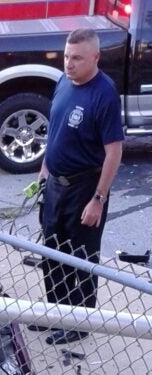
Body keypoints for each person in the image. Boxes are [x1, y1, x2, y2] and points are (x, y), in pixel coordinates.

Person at [33, 27, 123, 345]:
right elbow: (55, 132)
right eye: (66, 56)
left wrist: (98, 198)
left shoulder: (104, 94)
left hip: (85, 188)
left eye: (77, 58)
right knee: (50, 252)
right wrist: (43, 173)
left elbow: (114, 151)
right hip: (54, 184)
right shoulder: (63, 82)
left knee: (80, 258)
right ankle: (56, 314)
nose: (69, 64)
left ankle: (79, 322)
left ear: (95, 57)